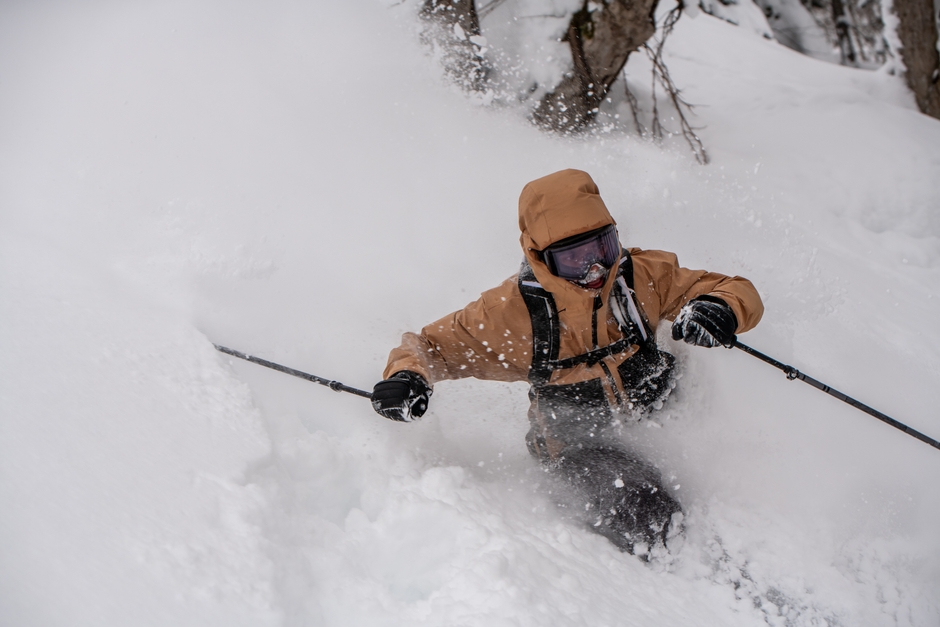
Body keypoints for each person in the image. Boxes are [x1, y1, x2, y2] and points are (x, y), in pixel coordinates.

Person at [371, 169, 764, 555]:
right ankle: (685, 567)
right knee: (645, 504)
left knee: (733, 472)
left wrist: (721, 308)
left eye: (602, 250)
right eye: (575, 259)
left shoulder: (641, 278)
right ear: (542, 260)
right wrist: (407, 376)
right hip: (580, 445)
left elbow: (731, 288)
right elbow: (429, 346)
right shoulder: (511, 314)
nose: (595, 271)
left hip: (659, 411)